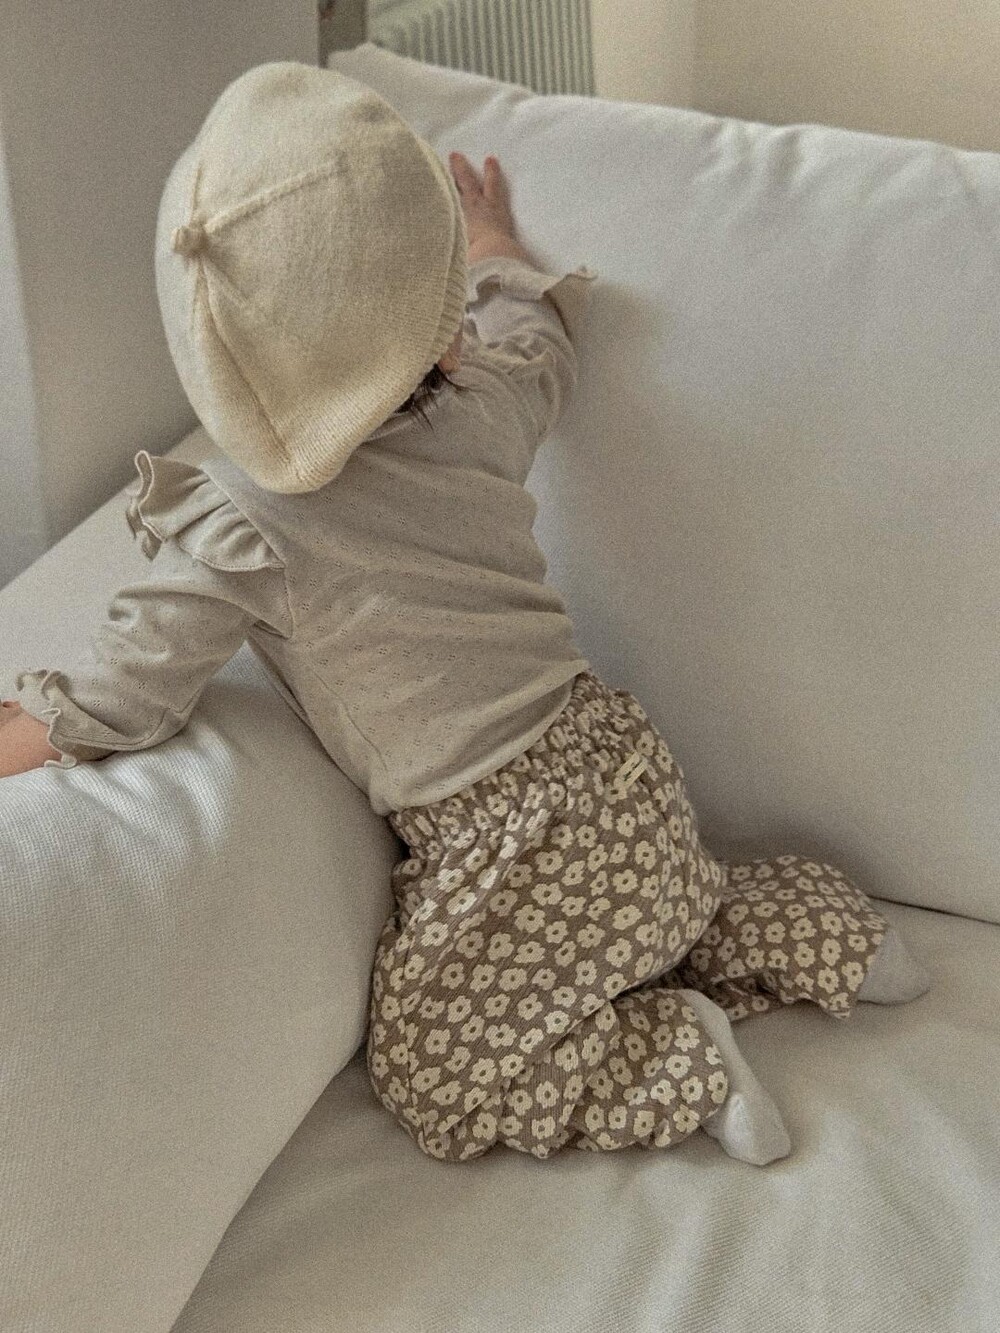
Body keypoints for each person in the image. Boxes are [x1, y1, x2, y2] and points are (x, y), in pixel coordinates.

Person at [0, 62, 929, 1165]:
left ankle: (679, 1062)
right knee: (670, 908)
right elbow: (539, 339)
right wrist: (490, 248)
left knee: (434, 1076)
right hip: (623, 767)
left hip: (500, 837)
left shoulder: (243, 528)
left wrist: (19, 731)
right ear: (438, 330)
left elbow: (124, 692)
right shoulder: (477, 407)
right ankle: (835, 936)